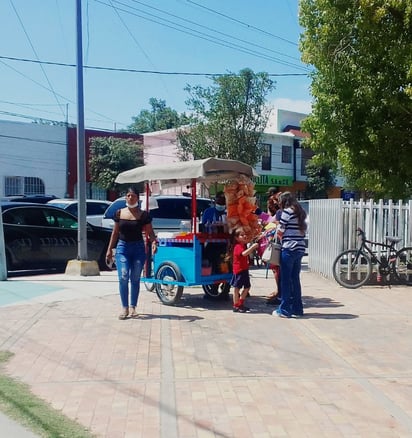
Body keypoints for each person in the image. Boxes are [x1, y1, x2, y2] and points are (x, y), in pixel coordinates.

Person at [106, 187, 158, 320]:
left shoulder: (143, 215)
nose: (130, 198)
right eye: (128, 195)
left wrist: (154, 242)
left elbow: (150, 232)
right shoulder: (119, 213)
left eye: (133, 196)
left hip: (138, 248)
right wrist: (109, 250)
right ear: (125, 198)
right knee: (123, 276)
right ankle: (125, 308)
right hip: (123, 247)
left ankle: (133, 307)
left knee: (135, 278)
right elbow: (115, 233)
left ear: (137, 198)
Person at [273, 192, 307, 318]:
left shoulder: (287, 212)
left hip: (288, 248)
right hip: (300, 248)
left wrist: (277, 231)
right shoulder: (301, 212)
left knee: (285, 280)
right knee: (295, 279)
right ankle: (298, 309)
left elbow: (281, 230)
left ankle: (285, 310)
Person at [229, 227, 259, 313]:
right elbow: (244, 254)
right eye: (242, 235)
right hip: (239, 270)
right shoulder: (238, 246)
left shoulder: (243, 245)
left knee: (247, 287)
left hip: (244, 269)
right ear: (236, 238)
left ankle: (240, 303)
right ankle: (236, 305)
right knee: (237, 288)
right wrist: (252, 247)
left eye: (245, 234)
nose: (244, 236)